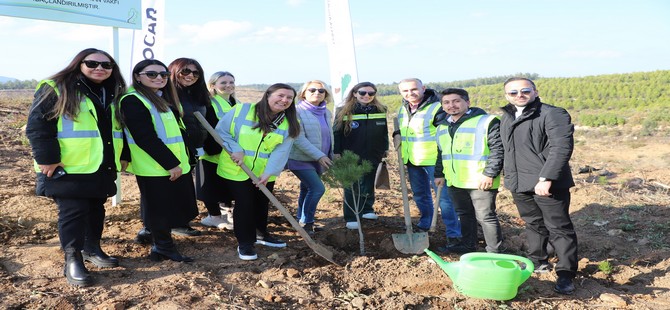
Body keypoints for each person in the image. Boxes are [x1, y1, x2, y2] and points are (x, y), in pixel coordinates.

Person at [26, 48, 126, 286]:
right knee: (73, 212)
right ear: (78, 64)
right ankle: (73, 259)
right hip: (67, 166)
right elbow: (38, 125)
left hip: (100, 164)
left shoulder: (112, 91)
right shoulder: (57, 87)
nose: (100, 68)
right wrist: (47, 158)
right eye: (92, 63)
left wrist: (122, 155)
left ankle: (92, 249)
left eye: (106, 65)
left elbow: (117, 128)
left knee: (95, 209)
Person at [500, 77, 578, 295]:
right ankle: (538, 261)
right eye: (513, 93)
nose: (519, 95)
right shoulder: (506, 116)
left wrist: (547, 178)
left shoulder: (552, 113)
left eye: (524, 91)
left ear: (535, 91)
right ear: (507, 96)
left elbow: (561, 148)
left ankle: (566, 273)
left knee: (559, 228)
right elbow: (506, 150)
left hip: (546, 183)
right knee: (533, 223)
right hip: (519, 182)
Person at [118, 59, 199, 262]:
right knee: (159, 208)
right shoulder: (133, 100)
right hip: (154, 165)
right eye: (152, 74)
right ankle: (163, 247)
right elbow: (145, 137)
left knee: (168, 206)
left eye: (163, 74)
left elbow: (176, 133)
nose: (159, 78)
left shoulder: (161, 98)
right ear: (138, 76)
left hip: (172, 163)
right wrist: (170, 163)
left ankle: (155, 240)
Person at [215, 83, 300, 260]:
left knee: (262, 202)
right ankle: (245, 243)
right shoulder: (242, 110)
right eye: (280, 95)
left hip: (264, 172)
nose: (284, 100)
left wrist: (269, 172)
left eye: (289, 98)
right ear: (268, 95)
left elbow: (281, 151)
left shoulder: (289, 122)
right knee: (245, 204)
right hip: (237, 169)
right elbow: (221, 131)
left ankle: (261, 235)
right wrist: (235, 148)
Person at [433, 88, 504, 254]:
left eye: (456, 101)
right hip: (455, 180)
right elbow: (441, 152)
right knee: (464, 215)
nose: (452, 105)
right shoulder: (442, 126)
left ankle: (494, 252)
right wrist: (439, 173)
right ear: (443, 106)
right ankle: (467, 245)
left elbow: (498, 150)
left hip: (480, 180)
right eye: (447, 102)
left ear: (467, 102)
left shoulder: (487, 122)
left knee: (485, 217)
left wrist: (489, 174)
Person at [392, 78, 461, 243]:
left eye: (414, 89)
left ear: (423, 88)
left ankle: (454, 233)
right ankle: (425, 223)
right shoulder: (403, 109)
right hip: (412, 160)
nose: (410, 93)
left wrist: (441, 163)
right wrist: (396, 135)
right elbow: (403, 130)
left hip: (434, 161)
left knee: (444, 198)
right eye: (405, 91)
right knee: (420, 195)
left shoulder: (437, 107)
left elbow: (445, 134)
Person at [333, 82, 388, 229]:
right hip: (350, 153)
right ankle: (351, 216)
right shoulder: (343, 111)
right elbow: (336, 133)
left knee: (368, 182)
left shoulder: (381, 109)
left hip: (373, 153)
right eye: (363, 92)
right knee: (352, 185)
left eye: (371, 93)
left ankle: (367, 209)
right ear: (355, 93)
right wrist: (337, 152)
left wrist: (385, 148)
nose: (367, 96)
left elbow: (384, 132)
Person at [288, 80, 334, 234]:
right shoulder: (296, 111)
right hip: (300, 159)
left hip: (320, 159)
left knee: (306, 188)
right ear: (303, 93)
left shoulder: (326, 112)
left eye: (321, 91)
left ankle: (300, 219)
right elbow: (298, 138)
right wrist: (320, 155)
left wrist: (330, 154)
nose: (317, 93)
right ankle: (307, 222)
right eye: (312, 90)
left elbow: (328, 135)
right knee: (317, 188)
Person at [199, 71, 239, 230]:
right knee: (210, 186)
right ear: (213, 85)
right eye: (223, 82)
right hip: (212, 151)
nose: (228, 85)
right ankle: (213, 216)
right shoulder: (209, 103)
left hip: (230, 151)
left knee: (227, 185)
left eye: (231, 81)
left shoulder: (236, 103)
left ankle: (228, 213)